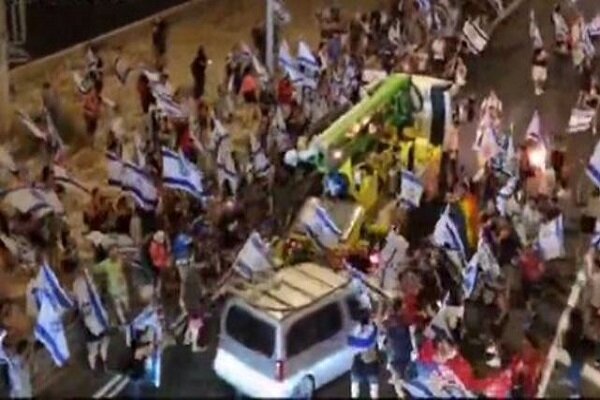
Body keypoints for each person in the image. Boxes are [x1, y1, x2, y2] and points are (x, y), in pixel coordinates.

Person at [73, 268, 110, 371]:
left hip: (93, 323)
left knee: (95, 348)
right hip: (99, 321)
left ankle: (95, 366)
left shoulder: (79, 283)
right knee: (101, 344)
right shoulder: (87, 283)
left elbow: (78, 301)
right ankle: (102, 363)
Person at [93, 246, 130, 342]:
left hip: (121, 289)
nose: (114, 254)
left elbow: (95, 269)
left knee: (125, 307)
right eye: (112, 252)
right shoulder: (107, 263)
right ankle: (124, 323)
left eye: (115, 252)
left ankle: (126, 322)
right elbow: (95, 269)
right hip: (115, 291)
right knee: (119, 308)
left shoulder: (119, 261)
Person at [381, 299, 413, 398]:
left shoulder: (392, 322)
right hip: (400, 350)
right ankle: (401, 391)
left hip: (400, 351)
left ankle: (401, 391)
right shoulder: (403, 321)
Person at [348, 308, 380, 399]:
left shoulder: (353, 331)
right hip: (371, 362)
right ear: (369, 318)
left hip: (357, 362)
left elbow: (349, 343)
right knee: (374, 389)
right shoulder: (373, 329)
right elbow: (379, 341)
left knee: (355, 389)